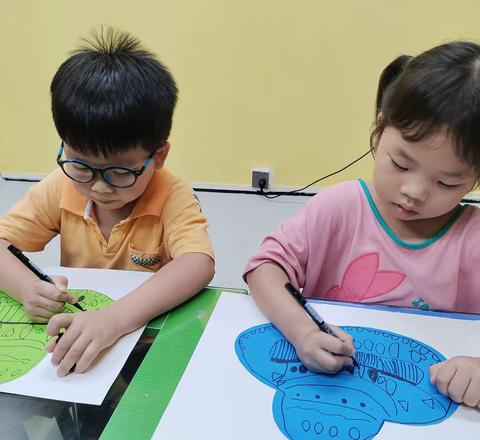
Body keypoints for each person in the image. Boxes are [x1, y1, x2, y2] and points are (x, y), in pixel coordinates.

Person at [244, 41, 480, 408]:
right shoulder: (339, 208)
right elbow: (264, 269)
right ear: (380, 130)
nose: (414, 192)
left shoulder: (473, 239)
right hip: (323, 395)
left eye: (447, 183)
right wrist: (303, 332)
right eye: (401, 164)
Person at [0, 27, 215, 377]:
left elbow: (197, 264)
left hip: (146, 342)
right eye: (80, 165)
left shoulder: (172, 194)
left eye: (118, 172)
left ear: (158, 156)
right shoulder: (61, 186)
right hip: (79, 340)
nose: (98, 187)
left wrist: (113, 320)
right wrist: (27, 288)